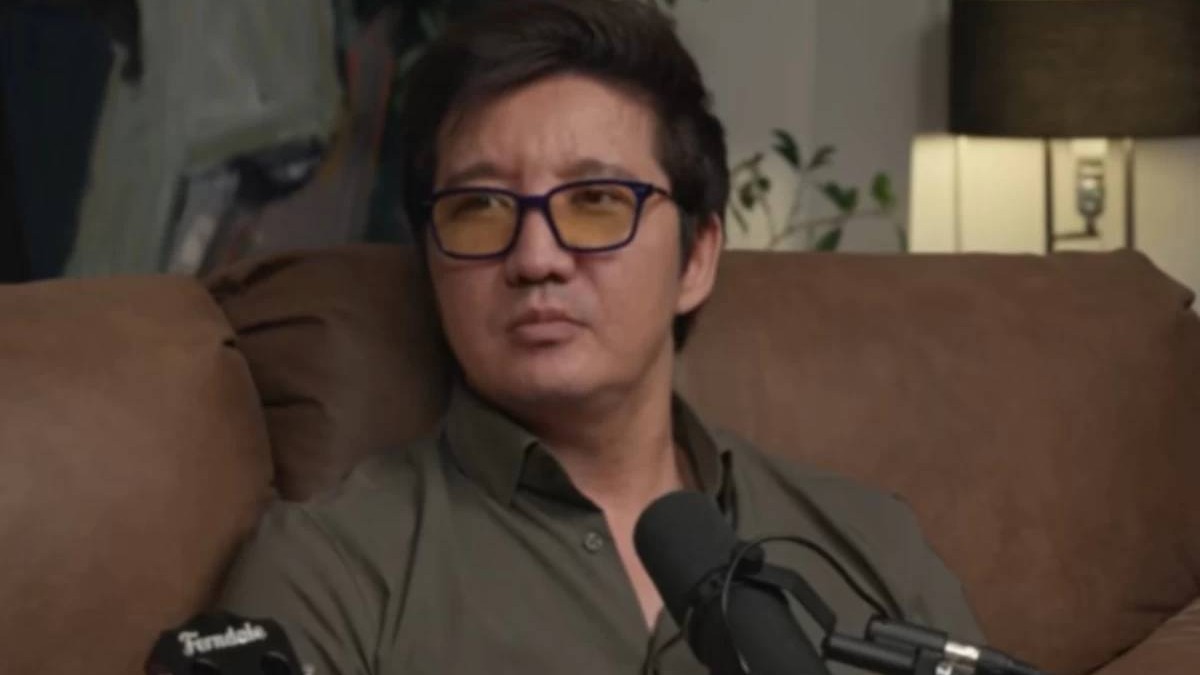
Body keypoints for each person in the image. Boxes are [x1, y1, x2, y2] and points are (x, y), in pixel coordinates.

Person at [218, 0, 983, 672]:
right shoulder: (329, 567)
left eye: (595, 202)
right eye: (479, 208)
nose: (536, 258)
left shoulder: (870, 546)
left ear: (696, 256)